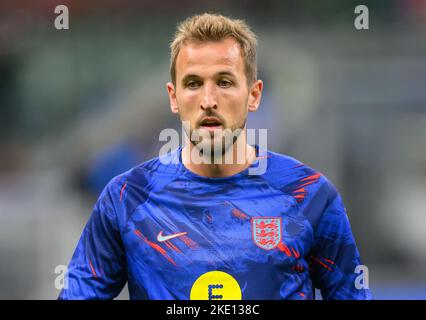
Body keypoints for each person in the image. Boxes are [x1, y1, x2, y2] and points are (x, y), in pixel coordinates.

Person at [59, 13, 372, 300]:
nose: (208, 100)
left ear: (254, 95)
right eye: (193, 84)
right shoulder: (126, 198)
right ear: (174, 97)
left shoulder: (311, 195)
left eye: (224, 82)